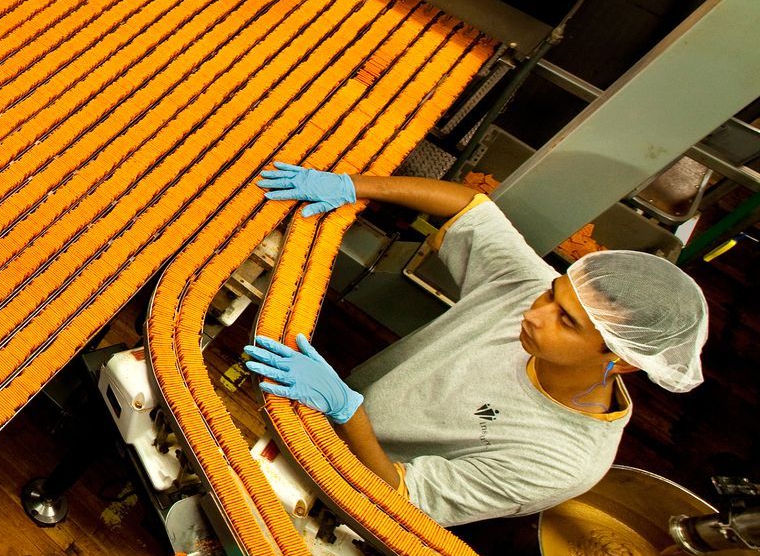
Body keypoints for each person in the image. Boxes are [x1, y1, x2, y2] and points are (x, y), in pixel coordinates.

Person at [243, 164, 709, 527]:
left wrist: (345, 409)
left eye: (565, 321)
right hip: (306, 419)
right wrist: (351, 185)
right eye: (553, 292)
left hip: (343, 494)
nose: (535, 311)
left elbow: (399, 497)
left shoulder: (562, 460)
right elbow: (469, 206)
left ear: (622, 361)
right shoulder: (532, 291)